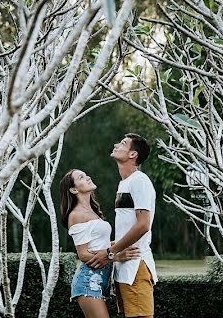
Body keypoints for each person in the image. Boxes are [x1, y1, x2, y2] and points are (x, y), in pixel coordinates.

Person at [86, 134, 157, 318]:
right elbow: (129, 227)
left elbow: (143, 225)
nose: (116, 144)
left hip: (136, 266)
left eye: (123, 143)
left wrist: (111, 251)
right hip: (124, 268)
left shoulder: (139, 180)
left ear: (133, 154)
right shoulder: (125, 183)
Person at [60, 169, 141, 318]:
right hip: (88, 282)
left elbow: (97, 245)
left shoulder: (92, 211)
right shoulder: (76, 214)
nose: (88, 177)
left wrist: (118, 244)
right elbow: (83, 254)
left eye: (86, 174)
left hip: (102, 280)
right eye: (81, 177)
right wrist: (116, 256)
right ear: (73, 189)